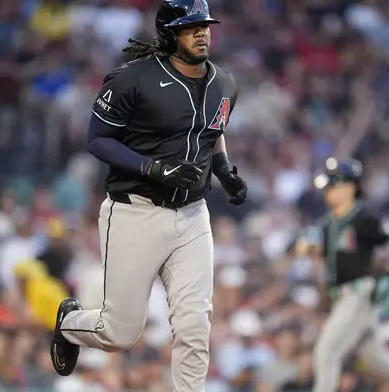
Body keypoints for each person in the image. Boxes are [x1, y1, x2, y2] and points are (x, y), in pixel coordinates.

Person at [49, 1, 248, 391]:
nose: (202, 33)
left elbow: (211, 129)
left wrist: (224, 169)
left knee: (194, 325)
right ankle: (70, 324)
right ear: (169, 34)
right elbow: (98, 140)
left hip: (192, 214)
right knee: (119, 333)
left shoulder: (224, 82)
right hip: (135, 211)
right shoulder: (132, 79)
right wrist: (155, 168)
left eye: (205, 25)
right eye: (191, 27)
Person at [294, 157, 389, 392]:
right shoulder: (329, 222)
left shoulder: (364, 217)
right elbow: (314, 249)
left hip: (357, 294)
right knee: (379, 362)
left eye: (332, 185)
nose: (327, 191)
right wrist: (308, 246)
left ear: (349, 186)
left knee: (327, 352)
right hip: (343, 298)